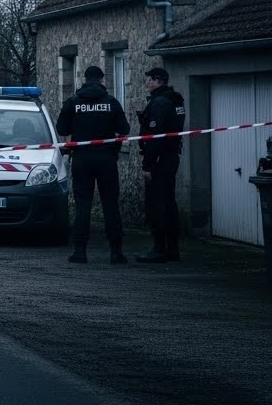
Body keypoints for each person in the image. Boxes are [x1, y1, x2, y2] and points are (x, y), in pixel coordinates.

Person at [56, 65, 131, 264]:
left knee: (83, 206)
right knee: (110, 206)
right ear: (102, 80)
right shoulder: (111, 102)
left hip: (81, 159)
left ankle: (80, 252)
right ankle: (116, 252)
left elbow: (61, 128)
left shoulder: (73, 102)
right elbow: (124, 128)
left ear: (84, 79)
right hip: (107, 160)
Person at [136, 67, 185, 263]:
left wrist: (148, 165)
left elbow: (154, 137)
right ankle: (172, 249)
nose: (146, 84)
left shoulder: (159, 103)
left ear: (157, 80)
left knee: (157, 204)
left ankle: (158, 249)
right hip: (172, 156)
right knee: (169, 202)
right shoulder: (176, 100)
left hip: (160, 159)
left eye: (148, 80)